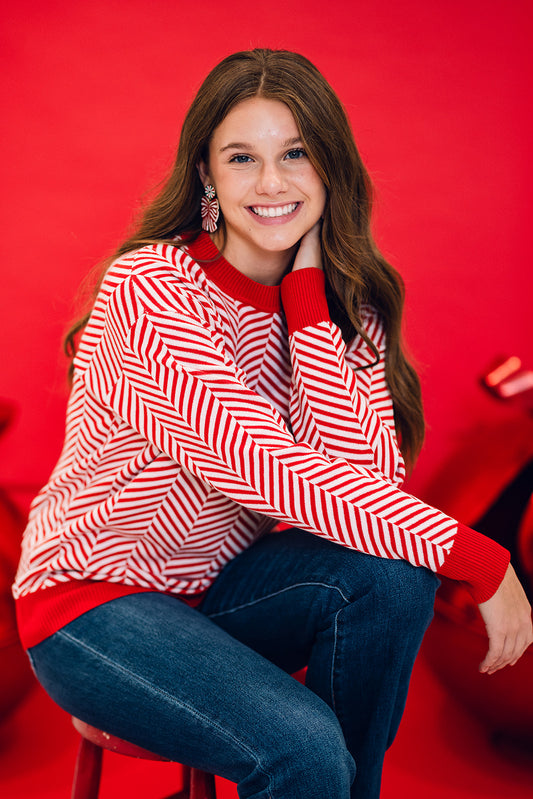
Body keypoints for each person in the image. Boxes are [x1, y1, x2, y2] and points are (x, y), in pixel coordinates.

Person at [13, 49, 532, 798]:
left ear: (329, 166)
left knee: (391, 572)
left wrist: (311, 306)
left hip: (219, 594)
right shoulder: (153, 287)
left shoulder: (348, 314)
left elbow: (363, 494)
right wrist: (480, 557)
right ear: (207, 177)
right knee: (303, 746)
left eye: (294, 153)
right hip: (93, 607)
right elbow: (261, 466)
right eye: (241, 157)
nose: (270, 183)